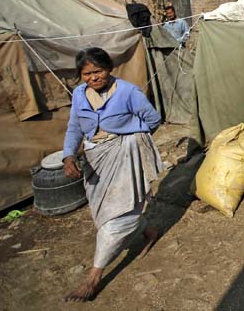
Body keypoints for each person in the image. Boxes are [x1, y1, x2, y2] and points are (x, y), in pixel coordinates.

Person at [62, 47, 163, 302]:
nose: (93, 77)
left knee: (118, 213)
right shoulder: (78, 95)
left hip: (125, 154)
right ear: (80, 75)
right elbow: (74, 127)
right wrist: (69, 156)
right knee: (102, 211)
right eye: (87, 73)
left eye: (98, 71)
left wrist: (130, 136)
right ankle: (148, 230)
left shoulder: (128, 92)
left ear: (109, 69)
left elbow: (153, 120)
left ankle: (93, 278)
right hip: (96, 158)